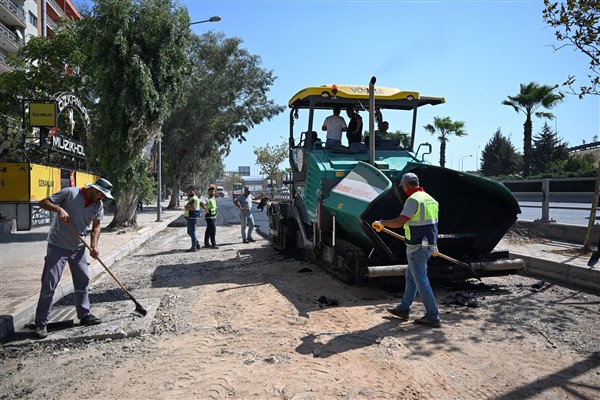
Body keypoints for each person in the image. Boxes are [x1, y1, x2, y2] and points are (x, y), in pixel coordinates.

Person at [34, 178, 114, 339]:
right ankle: (41, 323)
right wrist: (58, 209)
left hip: (78, 248)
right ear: (94, 189)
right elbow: (43, 202)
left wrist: (94, 246)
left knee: (82, 281)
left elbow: (96, 227)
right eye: (102, 194)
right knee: (49, 283)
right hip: (58, 245)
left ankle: (84, 315)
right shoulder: (70, 193)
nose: (102, 198)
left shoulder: (98, 205)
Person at [372, 172, 441, 328]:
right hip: (426, 246)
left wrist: (382, 223)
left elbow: (400, 222)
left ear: (407, 185)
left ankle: (433, 316)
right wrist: (433, 245)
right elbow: (434, 226)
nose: (403, 189)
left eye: (403, 186)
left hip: (416, 248)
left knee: (421, 281)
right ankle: (404, 309)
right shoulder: (431, 200)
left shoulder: (413, 200)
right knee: (411, 277)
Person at [200, 184, 219, 249]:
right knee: (213, 230)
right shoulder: (206, 197)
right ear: (209, 192)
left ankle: (206, 243)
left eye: (213, 191)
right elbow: (201, 203)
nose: (212, 192)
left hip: (213, 216)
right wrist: (206, 209)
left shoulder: (213, 198)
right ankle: (213, 244)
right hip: (209, 217)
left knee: (208, 230)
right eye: (211, 191)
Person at [184, 185, 201, 252]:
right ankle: (197, 244)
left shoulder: (194, 199)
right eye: (188, 191)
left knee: (192, 232)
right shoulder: (192, 198)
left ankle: (194, 247)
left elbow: (193, 207)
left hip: (192, 217)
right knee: (189, 232)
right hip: (191, 217)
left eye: (191, 191)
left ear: (194, 191)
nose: (189, 192)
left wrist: (186, 208)